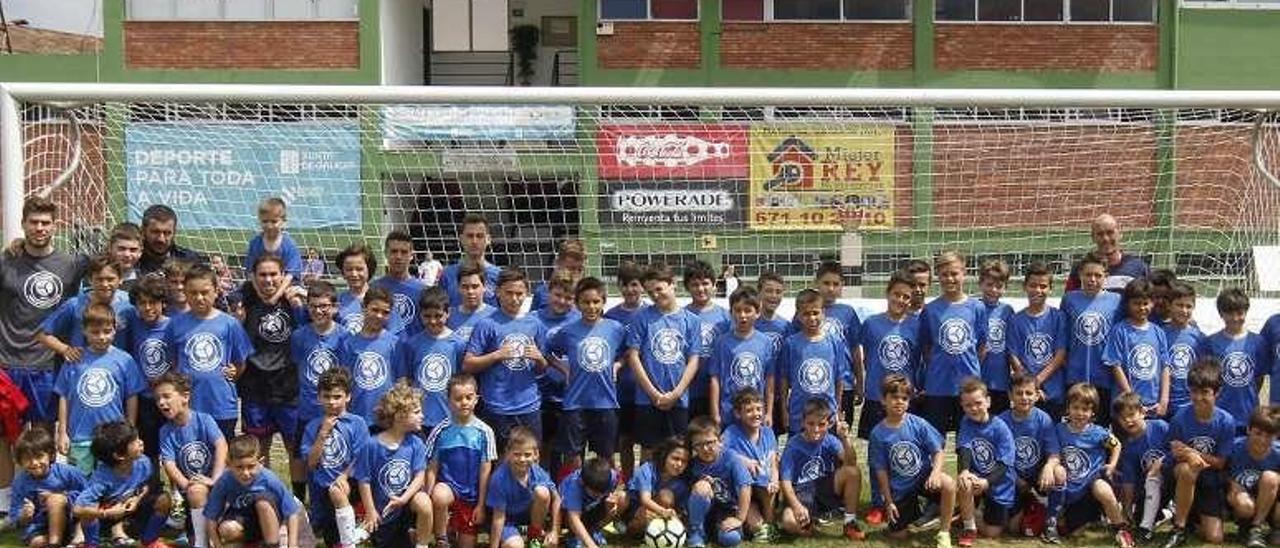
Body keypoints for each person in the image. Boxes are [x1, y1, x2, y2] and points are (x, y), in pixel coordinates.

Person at [0, 196, 88, 512]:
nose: (40, 228)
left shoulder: (70, 265)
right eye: (34, 222)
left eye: (46, 222)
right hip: (7, 363)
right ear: (23, 224)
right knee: (5, 436)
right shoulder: (6, 261)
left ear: (55, 226)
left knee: (41, 435)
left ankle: (41, 498)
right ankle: (7, 501)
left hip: (47, 364)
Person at [238, 254, 307, 497]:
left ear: (283, 276)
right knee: (259, 446)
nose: (268, 280)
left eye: (273, 274)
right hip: (255, 386)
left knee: (293, 446)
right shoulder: (246, 300)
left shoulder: (293, 301)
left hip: (287, 384)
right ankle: (262, 496)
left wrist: (299, 301)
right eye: (263, 275)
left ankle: (299, 501)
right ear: (255, 278)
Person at [463, 267, 548, 452]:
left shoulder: (535, 324)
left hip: (529, 405)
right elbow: (468, 364)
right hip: (497, 406)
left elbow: (543, 368)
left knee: (531, 458)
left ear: (527, 294)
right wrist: (496, 355)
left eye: (519, 293)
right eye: (509, 293)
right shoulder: (487, 324)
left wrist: (540, 359)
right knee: (499, 460)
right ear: (498, 292)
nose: (514, 298)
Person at [54, 303, 144, 475]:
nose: (102, 337)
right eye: (95, 332)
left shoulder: (124, 360)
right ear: (84, 330)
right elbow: (64, 396)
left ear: (115, 329)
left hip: (114, 438)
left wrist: (130, 430)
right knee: (81, 486)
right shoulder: (74, 359)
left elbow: (132, 396)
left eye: (107, 331)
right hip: (80, 437)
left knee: (112, 483)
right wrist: (62, 432)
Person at [165, 265, 253, 440]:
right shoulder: (175, 325)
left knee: (222, 456)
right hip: (188, 406)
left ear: (216, 291)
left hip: (221, 405)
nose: (199, 298)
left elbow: (241, 362)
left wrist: (232, 373)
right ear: (186, 293)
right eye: (193, 293)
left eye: (205, 292)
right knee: (193, 456)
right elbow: (173, 363)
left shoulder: (230, 324)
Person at [868, 374, 955, 548]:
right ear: (883, 400)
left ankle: (944, 532)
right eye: (894, 397)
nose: (899, 402)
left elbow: (938, 450)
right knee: (899, 535)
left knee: (949, 484)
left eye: (904, 398)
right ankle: (916, 512)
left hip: (924, 480)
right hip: (900, 490)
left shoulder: (919, 424)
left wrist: (936, 472)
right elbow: (881, 470)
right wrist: (888, 501)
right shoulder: (877, 434)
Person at [548, 277, 625, 471]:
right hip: (576, 403)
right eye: (586, 302)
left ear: (603, 301)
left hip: (606, 403)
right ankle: (573, 497)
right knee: (573, 458)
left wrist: (618, 364)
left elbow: (629, 352)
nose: (591, 307)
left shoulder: (615, 328)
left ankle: (608, 497)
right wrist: (562, 367)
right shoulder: (568, 331)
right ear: (577, 303)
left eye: (596, 302)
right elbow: (547, 351)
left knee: (606, 457)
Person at [1042, 383, 1132, 547]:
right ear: (1068, 408)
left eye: (1085, 409)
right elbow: (1053, 454)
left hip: (1091, 481)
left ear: (1092, 412)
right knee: (1059, 470)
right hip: (1068, 484)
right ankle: (1052, 522)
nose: (1080, 413)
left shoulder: (1098, 432)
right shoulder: (1059, 429)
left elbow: (1116, 444)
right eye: (1075, 407)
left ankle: (1120, 528)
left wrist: (1111, 465)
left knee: (1104, 490)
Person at [626, 263, 701, 453]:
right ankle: (646, 484)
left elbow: (693, 359)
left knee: (678, 451)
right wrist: (653, 394)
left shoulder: (691, 321)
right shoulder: (641, 318)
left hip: (679, 398)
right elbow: (634, 357)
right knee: (649, 451)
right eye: (650, 292)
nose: (656, 295)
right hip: (648, 399)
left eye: (659, 289)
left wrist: (676, 393)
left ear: (672, 284)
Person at [1162, 359, 1236, 547]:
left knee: (1215, 538)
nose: (1198, 397)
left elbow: (1220, 463)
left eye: (1205, 392)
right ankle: (1178, 528)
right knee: (1188, 469)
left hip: (1210, 478)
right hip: (1182, 475)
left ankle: (1192, 517)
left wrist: (1192, 452)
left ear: (1217, 393)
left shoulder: (1226, 421)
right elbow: (1174, 452)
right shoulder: (1180, 417)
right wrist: (1188, 455)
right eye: (1194, 391)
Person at [354, 381, 433, 548]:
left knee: (424, 501)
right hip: (384, 511)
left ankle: (422, 544)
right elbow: (364, 480)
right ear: (399, 416)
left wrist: (403, 499)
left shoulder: (416, 443)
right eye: (417, 412)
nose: (422, 416)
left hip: (406, 507)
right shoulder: (371, 445)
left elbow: (420, 476)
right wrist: (370, 510)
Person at [155, 371, 228, 548]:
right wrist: (187, 485)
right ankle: (201, 542)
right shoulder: (165, 431)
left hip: (217, 484)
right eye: (157, 399)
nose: (161, 402)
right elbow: (169, 464)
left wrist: (215, 479)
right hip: (192, 490)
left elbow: (221, 445)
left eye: (166, 396)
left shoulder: (204, 420)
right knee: (196, 492)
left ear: (185, 397)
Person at [73, 421, 173, 548]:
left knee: (164, 499)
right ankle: (92, 544)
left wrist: (137, 499)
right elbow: (77, 509)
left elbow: (146, 485)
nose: (141, 442)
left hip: (131, 511)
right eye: (134, 442)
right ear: (119, 455)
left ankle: (149, 541)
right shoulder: (102, 478)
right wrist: (106, 513)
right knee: (87, 511)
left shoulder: (144, 462)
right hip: (107, 515)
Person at [920, 251, 987, 440]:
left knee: (968, 442)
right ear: (938, 278)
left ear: (964, 273)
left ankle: (966, 471)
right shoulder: (930, 310)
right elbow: (926, 347)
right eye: (944, 274)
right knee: (934, 442)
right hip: (938, 387)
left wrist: (970, 369)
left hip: (968, 388)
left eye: (954, 273)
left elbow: (982, 345)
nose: (950, 278)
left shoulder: (977, 307)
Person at [426, 373, 497, 548]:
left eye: (468, 397)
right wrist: (428, 497)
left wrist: (481, 504)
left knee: (467, 544)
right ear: (448, 400)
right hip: (448, 488)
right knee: (439, 495)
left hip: (471, 497)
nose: (464, 402)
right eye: (458, 398)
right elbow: (432, 466)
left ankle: (454, 529)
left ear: (476, 399)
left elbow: (485, 470)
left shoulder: (485, 432)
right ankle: (442, 538)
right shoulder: (440, 430)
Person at [300, 367, 368, 548]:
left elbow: (362, 457)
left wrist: (344, 476)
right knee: (332, 539)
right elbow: (311, 463)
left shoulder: (357, 423)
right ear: (319, 397)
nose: (331, 402)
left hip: (351, 484)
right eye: (326, 396)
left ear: (348, 397)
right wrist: (323, 433)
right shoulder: (313, 426)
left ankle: (351, 541)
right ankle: (350, 535)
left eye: (337, 397)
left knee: (336, 491)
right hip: (322, 489)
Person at [778, 399, 863, 540]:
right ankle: (813, 519)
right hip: (801, 492)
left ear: (829, 424)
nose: (816, 429)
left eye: (821, 424)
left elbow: (851, 462)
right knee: (788, 522)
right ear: (802, 423)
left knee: (852, 472)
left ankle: (850, 522)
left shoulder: (829, 439)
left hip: (824, 486)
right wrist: (796, 506)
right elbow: (785, 482)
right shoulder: (793, 446)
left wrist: (845, 438)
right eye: (811, 424)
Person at [792, 261, 862, 426]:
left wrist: (860, 382)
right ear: (817, 283)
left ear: (842, 286)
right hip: (812, 385)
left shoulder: (848, 312)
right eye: (826, 283)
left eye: (835, 284)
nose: (831, 288)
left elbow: (855, 350)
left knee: (839, 431)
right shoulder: (803, 312)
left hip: (843, 385)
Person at [203, 435, 302, 548]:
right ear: (229, 464)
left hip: (270, 518)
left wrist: (293, 544)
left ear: (261, 462)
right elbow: (211, 517)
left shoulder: (269, 478)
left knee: (262, 503)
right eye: (239, 467)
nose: (245, 473)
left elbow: (292, 512)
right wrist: (217, 544)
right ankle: (253, 543)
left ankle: (272, 544)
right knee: (226, 529)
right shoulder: (224, 481)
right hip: (243, 519)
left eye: (251, 467)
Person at [998, 374, 1063, 538]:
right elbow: (999, 462)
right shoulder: (1001, 421)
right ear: (1010, 395)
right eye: (1019, 393)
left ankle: (1051, 519)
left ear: (1037, 395)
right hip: (1011, 478)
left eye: (1029, 393)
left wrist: (1049, 467)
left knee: (1059, 471)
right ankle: (1027, 505)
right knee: (1013, 528)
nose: (1024, 397)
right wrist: (1017, 480)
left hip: (1036, 476)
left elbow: (1054, 453)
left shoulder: (1044, 419)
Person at [1062, 252, 1122, 426]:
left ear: (1106, 277)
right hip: (1075, 374)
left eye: (1098, 275)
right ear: (1080, 275)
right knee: (1074, 425)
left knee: (1100, 426)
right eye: (1088, 275)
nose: (1093, 279)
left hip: (1104, 375)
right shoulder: (1069, 299)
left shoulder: (1116, 301)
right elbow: (1064, 334)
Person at [955, 378, 1016, 546]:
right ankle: (969, 528)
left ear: (988, 402)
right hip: (977, 479)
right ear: (962, 406)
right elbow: (964, 449)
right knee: (964, 481)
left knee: (992, 533)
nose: (974, 408)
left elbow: (1005, 464)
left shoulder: (1000, 428)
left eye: (978, 403)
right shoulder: (966, 422)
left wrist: (986, 481)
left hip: (998, 483)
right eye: (968, 405)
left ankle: (969, 513)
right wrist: (965, 471)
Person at [37, 255, 132, 363]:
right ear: (90, 280)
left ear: (120, 279)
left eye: (110, 279)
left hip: (117, 369)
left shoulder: (129, 305)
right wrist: (65, 349)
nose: (105, 284)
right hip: (82, 368)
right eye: (99, 279)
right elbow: (43, 335)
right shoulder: (74, 305)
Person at [780, 289, 850, 435]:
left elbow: (838, 379)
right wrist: (784, 411)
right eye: (806, 314)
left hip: (826, 415)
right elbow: (784, 380)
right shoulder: (791, 343)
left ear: (823, 312)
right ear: (798, 315)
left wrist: (837, 408)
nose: (811, 318)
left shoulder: (835, 342)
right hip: (799, 415)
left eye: (815, 313)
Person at [1197, 288, 1267, 433]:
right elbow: (1207, 380)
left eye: (1240, 313)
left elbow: (1258, 377)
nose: (1235, 318)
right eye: (1230, 313)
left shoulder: (1258, 342)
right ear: (1221, 314)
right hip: (1219, 414)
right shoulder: (1210, 342)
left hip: (1248, 415)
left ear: (1246, 312)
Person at [399, 286, 466, 436]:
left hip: (449, 417)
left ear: (448, 313)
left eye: (438, 315)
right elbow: (408, 379)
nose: (433, 321)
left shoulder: (458, 344)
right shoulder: (412, 344)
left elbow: (462, 379)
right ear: (420, 316)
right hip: (419, 419)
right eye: (427, 316)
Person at [707, 286, 776, 429]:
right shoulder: (722, 342)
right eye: (738, 310)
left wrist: (769, 412)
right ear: (731, 312)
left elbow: (769, 379)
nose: (742, 315)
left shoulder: (765, 342)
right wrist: (715, 412)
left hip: (755, 412)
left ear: (757, 312)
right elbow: (715, 379)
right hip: (729, 412)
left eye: (748, 310)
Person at [1007, 263, 1068, 417]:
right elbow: (1013, 355)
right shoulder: (1015, 320)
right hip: (1025, 394)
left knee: (1050, 436)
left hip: (1052, 392)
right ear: (1025, 287)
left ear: (1050, 289)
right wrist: (1030, 386)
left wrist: (1038, 381)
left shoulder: (1059, 317)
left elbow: (1060, 355)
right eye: (1033, 285)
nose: (1038, 290)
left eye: (1043, 286)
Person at [1105, 279, 1171, 418]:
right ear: (1128, 304)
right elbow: (1115, 365)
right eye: (1136, 303)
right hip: (1127, 406)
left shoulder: (1158, 332)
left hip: (1153, 406)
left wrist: (1164, 400)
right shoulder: (1120, 331)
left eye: (1145, 303)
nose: (1142, 308)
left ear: (1152, 303)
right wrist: (1132, 399)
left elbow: (1165, 367)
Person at [685, 416, 755, 548]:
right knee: (702, 486)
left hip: (727, 512)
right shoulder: (692, 464)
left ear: (720, 440)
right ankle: (696, 533)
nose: (705, 448)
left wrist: (740, 519)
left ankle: (714, 532)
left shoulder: (731, 458)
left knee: (731, 539)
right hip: (702, 512)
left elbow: (745, 487)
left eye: (709, 442)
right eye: (698, 445)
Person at [719, 389, 779, 542]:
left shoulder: (768, 433)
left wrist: (774, 480)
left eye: (759, 409)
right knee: (756, 528)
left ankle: (771, 524)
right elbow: (719, 451)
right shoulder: (731, 433)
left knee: (768, 487)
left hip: (766, 490)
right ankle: (754, 523)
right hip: (742, 491)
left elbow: (773, 462)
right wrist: (743, 460)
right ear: (738, 414)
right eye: (749, 410)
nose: (756, 414)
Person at [336, 287, 403, 424]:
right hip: (357, 416)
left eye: (385, 312)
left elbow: (401, 381)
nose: (379, 316)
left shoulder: (395, 343)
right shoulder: (348, 344)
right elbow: (344, 382)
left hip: (386, 418)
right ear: (363, 307)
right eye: (375, 310)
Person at [1112, 391, 1171, 544]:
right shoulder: (1128, 448)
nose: (1128, 420)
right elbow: (1129, 482)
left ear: (1143, 412)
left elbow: (1178, 448)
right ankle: (1159, 517)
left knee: (1155, 473)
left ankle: (1155, 522)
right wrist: (1127, 509)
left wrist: (1162, 462)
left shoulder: (1161, 427)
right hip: (1149, 490)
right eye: (1123, 418)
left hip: (1173, 479)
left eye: (1131, 415)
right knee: (1137, 519)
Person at [10, 428, 85, 548]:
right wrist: (23, 515)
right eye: (28, 459)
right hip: (39, 526)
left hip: (69, 520)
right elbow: (14, 517)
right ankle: (60, 541)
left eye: (39, 456)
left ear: (50, 455)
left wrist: (63, 497)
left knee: (55, 500)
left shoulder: (69, 473)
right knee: (37, 543)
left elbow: (88, 496)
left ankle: (55, 543)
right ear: (20, 461)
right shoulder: (20, 482)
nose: (34, 463)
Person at [486, 426, 559, 548]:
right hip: (507, 521)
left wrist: (555, 531)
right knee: (515, 545)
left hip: (530, 517)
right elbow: (499, 517)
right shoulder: (499, 478)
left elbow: (556, 498)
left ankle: (534, 537)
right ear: (507, 453)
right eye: (517, 454)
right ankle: (512, 538)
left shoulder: (537, 471)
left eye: (527, 454)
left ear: (536, 455)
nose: (522, 459)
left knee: (543, 492)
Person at [605, 260, 646, 476]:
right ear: (619, 286)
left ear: (643, 286)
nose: (631, 290)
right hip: (621, 390)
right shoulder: (610, 316)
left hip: (647, 389)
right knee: (625, 440)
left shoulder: (651, 313)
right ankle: (629, 482)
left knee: (648, 443)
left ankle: (645, 485)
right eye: (626, 284)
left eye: (635, 284)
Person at [292, 280, 346, 441]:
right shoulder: (299, 336)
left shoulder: (345, 336)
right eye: (313, 306)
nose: (318, 311)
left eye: (324, 306)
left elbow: (346, 374)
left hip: (335, 409)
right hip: (307, 409)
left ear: (335, 307)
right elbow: (298, 366)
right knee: (304, 458)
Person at [1225, 407, 1280, 548]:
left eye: (1268, 436)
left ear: (1276, 436)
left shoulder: (1278, 453)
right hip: (1243, 499)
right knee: (1245, 506)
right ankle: (1246, 528)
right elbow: (1223, 475)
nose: (1262, 440)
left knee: (1270, 478)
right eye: (1258, 433)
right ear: (1249, 429)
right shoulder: (1234, 448)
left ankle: (1260, 528)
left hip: (1270, 499)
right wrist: (1232, 488)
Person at [683, 260, 730, 421]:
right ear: (687, 287)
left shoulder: (726, 317)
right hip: (689, 390)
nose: (701, 289)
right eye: (695, 284)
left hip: (718, 392)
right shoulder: (681, 316)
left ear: (714, 284)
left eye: (705, 283)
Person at [1065, 213, 1152, 292]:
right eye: (1100, 234)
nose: (1105, 239)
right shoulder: (1080, 268)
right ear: (1093, 237)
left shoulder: (1138, 267)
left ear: (1120, 233)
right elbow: (1069, 303)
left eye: (1110, 232)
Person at [623, 436, 689, 535]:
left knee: (666, 496)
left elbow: (681, 511)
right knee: (621, 497)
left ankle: (652, 531)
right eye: (675, 458)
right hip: (634, 510)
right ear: (665, 455)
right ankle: (625, 525)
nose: (679, 464)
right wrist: (662, 512)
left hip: (657, 514)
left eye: (684, 461)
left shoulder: (681, 484)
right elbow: (645, 500)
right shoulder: (647, 469)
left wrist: (677, 519)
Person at [242, 197, 302, 302]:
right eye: (265, 221)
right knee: (239, 299)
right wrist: (259, 293)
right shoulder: (255, 243)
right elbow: (251, 272)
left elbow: (290, 276)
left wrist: (276, 296)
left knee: (296, 299)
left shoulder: (289, 245)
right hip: (261, 284)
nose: (269, 226)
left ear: (283, 222)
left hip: (285, 286)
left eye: (274, 221)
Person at [558, 457, 626, 548]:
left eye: (602, 491)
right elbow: (574, 519)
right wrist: (591, 546)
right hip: (568, 514)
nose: (599, 495)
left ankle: (594, 530)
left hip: (590, 509)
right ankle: (574, 535)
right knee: (569, 516)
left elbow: (616, 487)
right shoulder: (574, 486)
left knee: (620, 499)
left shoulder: (611, 476)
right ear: (583, 484)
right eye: (595, 493)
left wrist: (611, 505)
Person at [439, 214, 502, 308]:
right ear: (461, 239)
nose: (474, 241)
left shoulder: (499, 276)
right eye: (470, 236)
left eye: (480, 236)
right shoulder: (447, 275)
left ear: (488, 239)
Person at [374, 231, 428, 336]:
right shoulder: (374, 288)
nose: (398, 256)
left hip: (412, 350)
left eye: (404, 252)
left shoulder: (424, 291)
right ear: (386, 253)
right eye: (394, 251)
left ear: (412, 255)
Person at [978, 259, 1014, 416]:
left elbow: (1012, 345)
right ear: (980, 283)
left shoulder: (1007, 311)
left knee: (1000, 424)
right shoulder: (973, 307)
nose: (993, 290)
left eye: (999, 286)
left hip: (1000, 381)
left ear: (1005, 287)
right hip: (978, 380)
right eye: (989, 284)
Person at [1163, 280, 1203, 417]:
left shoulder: (1200, 337)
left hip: (1191, 403)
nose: (1184, 310)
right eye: (1179, 305)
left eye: (1188, 306)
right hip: (1165, 403)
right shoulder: (1159, 333)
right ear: (1169, 305)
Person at [137, 204, 204, 277]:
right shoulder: (133, 259)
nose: (161, 239)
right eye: (155, 232)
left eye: (167, 233)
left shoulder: (189, 259)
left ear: (174, 232)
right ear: (143, 231)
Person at [530, 239, 586, 313]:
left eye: (579, 270)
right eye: (570, 269)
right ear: (557, 263)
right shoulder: (542, 292)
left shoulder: (586, 294)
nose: (575, 274)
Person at [446, 262, 495, 343]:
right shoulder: (448, 316)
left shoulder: (495, 316)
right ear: (458, 287)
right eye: (465, 287)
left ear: (484, 287)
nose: (470, 291)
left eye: (475, 286)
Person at [335, 243, 377, 335]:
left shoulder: (382, 299)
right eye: (349, 269)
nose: (354, 274)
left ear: (369, 269)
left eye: (359, 269)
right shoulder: (336, 301)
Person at [106, 222, 143, 290]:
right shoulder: (94, 280)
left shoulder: (143, 284)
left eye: (133, 250)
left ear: (140, 252)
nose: (127, 255)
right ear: (110, 248)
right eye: (121, 249)